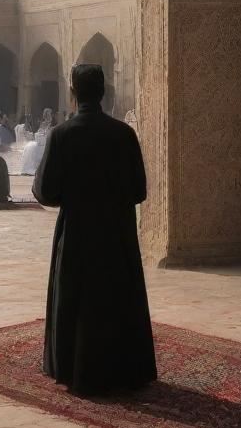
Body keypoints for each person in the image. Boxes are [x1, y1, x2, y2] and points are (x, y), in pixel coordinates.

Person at [33, 64, 156, 396]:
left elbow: (45, 192)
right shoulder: (123, 134)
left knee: (78, 296)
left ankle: (73, 368)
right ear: (104, 92)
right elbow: (139, 192)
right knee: (117, 295)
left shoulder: (62, 135)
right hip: (117, 233)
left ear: (73, 94)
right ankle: (125, 369)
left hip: (77, 234)